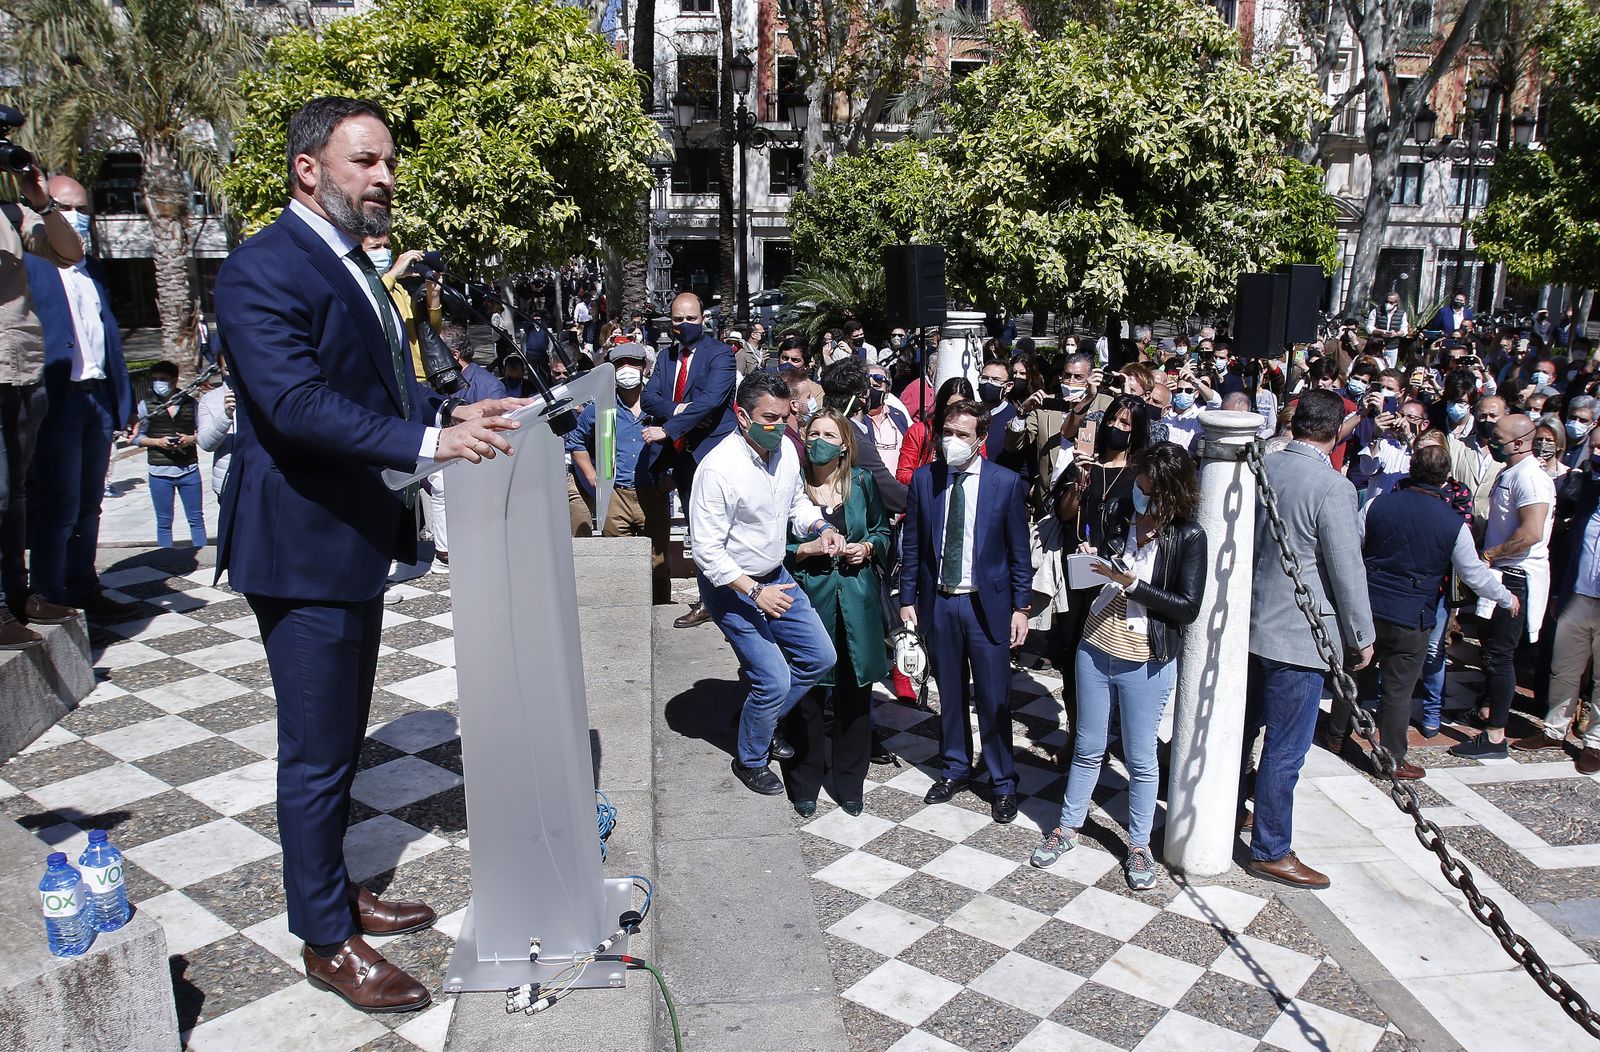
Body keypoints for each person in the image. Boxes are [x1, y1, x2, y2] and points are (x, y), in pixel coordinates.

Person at [213, 96, 529, 1013]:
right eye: (365, 161)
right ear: (308, 168)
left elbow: (376, 387)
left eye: (387, 161)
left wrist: (445, 412)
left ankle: (336, 890)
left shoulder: (354, 264)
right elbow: (299, 405)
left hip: (350, 536)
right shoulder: (261, 270)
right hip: (300, 546)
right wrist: (431, 449)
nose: (385, 177)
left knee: (340, 742)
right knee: (314, 753)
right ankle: (323, 939)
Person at [1031, 443, 1206, 889]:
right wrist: (1094, 560)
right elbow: (1097, 560)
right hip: (1096, 644)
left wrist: (1134, 584)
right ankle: (1067, 827)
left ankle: (1140, 846)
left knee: (1141, 756)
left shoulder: (1188, 537)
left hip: (1146, 658)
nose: (1140, 495)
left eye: (1149, 489)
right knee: (1088, 745)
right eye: (1139, 486)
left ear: (1172, 492)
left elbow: (1186, 608)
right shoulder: (1119, 514)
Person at [1242, 390, 1375, 890]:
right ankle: (1272, 848)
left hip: (1249, 625)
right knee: (1286, 747)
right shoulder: (1332, 486)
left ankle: (1233, 811)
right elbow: (1347, 569)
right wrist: (1362, 635)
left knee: (1245, 733)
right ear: (1338, 430)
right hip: (1299, 634)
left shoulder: (1261, 466)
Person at [689, 370, 843, 795]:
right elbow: (706, 550)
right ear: (743, 416)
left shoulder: (787, 452)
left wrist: (819, 526)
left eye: (783, 416)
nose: (778, 426)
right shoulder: (718, 469)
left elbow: (796, 502)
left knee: (819, 657)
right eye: (768, 418)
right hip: (732, 586)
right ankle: (751, 758)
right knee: (773, 678)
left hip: (775, 575)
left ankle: (756, 719)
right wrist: (755, 592)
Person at [1332, 442, 1517, 778]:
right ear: (1446, 479)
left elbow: (1352, 546)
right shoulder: (1453, 523)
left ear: (1412, 469)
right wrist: (1506, 598)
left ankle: (1335, 734)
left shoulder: (1377, 504)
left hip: (1368, 607)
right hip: (1412, 616)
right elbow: (1473, 573)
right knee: (1398, 690)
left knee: (1353, 673)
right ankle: (1392, 757)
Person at [900, 399, 1032, 822]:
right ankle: (955, 766)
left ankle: (1001, 780)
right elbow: (914, 545)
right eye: (947, 432)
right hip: (939, 601)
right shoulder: (925, 479)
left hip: (986, 604)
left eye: (962, 435)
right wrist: (907, 600)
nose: (951, 441)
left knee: (995, 698)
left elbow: (1018, 552)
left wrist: (1021, 607)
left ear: (979, 440)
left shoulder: (1005, 483)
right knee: (950, 692)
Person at [21, 174, 136, 624]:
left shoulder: (92, 272)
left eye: (82, 210)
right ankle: (50, 590)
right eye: (65, 208)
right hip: (59, 398)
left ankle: (84, 586)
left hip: (97, 397)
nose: (77, 218)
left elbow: (109, 340)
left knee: (90, 503)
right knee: (59, 503)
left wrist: (121, 402)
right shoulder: (30, 269)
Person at [780, 410, 890, 817]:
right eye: (814, 433)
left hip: (857, 601)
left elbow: (882, 530)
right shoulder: (791, 485)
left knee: (855, 694)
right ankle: (804, 779)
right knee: (808, 696)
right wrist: (804, 550)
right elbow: (771, 548)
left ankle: (849, 781)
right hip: (808, 600)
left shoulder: (861, 482)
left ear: (845, 444)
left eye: (829, 434)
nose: (819, 440)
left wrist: (867, 547)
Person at [0, 152, 85, 647]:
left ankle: (19, 594)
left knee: (16, 496)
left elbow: (69, 252)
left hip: (22, 367)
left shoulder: (14, 214)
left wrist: (42, 201)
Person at [1451, 412, 1554, 758]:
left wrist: (1491, 554)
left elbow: (1531, 532)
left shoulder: (1531, 478)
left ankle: (1496, 735)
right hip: (1501, 572)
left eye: (1498, 436)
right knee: (1489, 649)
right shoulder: (1509, 473)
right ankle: (1486, 711)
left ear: (1521, 442)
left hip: (1516, 576)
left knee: (1499, 655)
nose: (1491, 440)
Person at [641, 292, 737, 629]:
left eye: (691, 319)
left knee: (722, 530)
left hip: (714, 455)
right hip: (683, 459)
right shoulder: (667, 358)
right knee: (697, 533)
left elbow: (712, 401)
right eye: (678, 320)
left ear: (703, 319)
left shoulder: (721, 354)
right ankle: (706, 600)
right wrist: (680, 411)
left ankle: (731, 600)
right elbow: (648, 398)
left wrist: (668, 428)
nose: (684, 325)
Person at [567, 342, 672, 603]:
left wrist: (672, 477)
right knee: (617, 561)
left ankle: (659, 611)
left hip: (654, 494)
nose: (627, 369)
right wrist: (592, 476)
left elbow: (681, 441)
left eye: (633, 363)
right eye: (620, 364)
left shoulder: (659, 406)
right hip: (616, 496)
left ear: (644, 367)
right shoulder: (600, 407)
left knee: (657, 562)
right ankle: (623, 610)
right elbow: (576, 441)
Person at [1519, 446, 1600, 772]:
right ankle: (1554, 730)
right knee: (1564, 668)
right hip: (1578, 596)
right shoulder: (1588, 494)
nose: (1595, 451)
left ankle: (1594, 743)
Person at [132, 361, 206, 549]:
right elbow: (135, 437)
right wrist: (157, 442)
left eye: (163, 379)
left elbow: (204, 431)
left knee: (196, 518)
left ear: (174, 380)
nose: (158, 383)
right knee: (164, 521)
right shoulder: (146, 405)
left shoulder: (191, 403)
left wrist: (190, 439)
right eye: (155, 379)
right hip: (159, 472)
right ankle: (165, 558)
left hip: (188, 469)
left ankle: (203, 554)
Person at [897, 376, 975, 485]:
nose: (954, 413)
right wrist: (934, 482)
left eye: (960, 408)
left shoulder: (974, 434)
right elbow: (903, 474)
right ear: (940, 405)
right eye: (948, 407)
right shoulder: (920, 431)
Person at [196, 352, 237, 497]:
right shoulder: (210, 400)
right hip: (227, 484)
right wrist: (226, 416)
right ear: (220, 369)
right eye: (227, 368)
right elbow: (206, 444)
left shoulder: (263, 393)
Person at [1367, 292, 1408, 366]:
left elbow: (1404, 330)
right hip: (1377, 346)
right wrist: (1380, 331)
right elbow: (1369, 327)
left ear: (1396, 303)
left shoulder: (1402, 313)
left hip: (1392, 346)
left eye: (1391, 302)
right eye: (1386, 301)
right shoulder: (1376, 311)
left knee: (1390, 368)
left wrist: (1396, 334)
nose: (1388, 304)